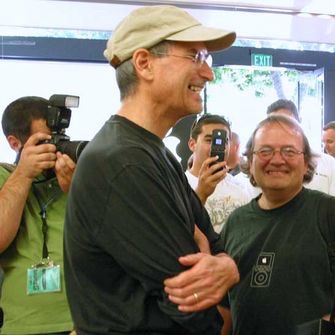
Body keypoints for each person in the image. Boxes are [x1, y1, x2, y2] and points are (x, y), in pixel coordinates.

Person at [63, 6, 240, 334]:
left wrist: (228, 267)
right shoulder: (122, 162)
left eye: (207, 60)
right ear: (144, 63)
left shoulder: (152, 151)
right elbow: (190, 300)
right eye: (195, 57)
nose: (208, 74)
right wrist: (222, 309)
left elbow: (214, 245)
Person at [219, 114, 335, 335]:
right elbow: (226, 308)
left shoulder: (334, 216)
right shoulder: (236, 223)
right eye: (265, 151)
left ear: (306, 161)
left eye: (289, 151)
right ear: (250, 160)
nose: (277, 160)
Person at [0, 96, 75, 334]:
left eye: (58, 140)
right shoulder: (5, 177)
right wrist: (23, 174)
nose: (54, 148)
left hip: (80, 320)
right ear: (14, 143)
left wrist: (77, 190)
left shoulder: (76, 174)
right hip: (23, 324)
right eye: (44, 142)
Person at [266, 99, 335, 203]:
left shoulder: (328, 164)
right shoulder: (264, 167)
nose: (281, 129)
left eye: (288, 122)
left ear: (299, 121)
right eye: (274, 125)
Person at [186, 114, 250, 233]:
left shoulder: (241, 187)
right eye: (209, 140)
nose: (215, 147)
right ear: (192, 144)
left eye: (223, 141)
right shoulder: (179, 185)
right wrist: (200, 193)